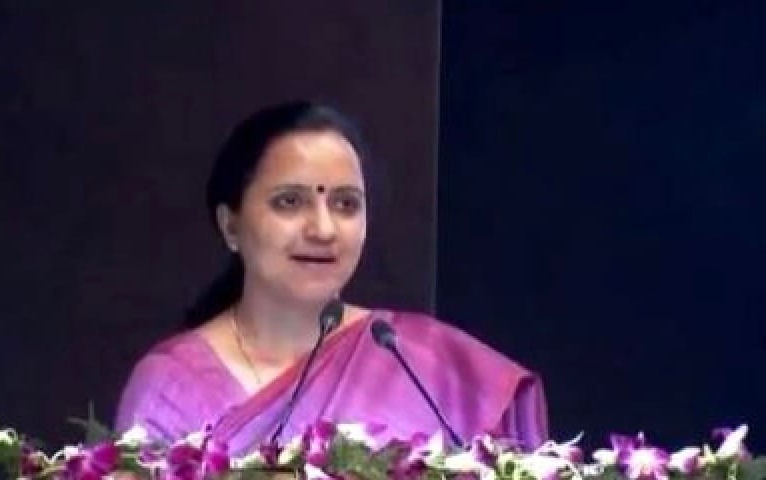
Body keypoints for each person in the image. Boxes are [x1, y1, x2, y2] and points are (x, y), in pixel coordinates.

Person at [115, 101, 548, 456]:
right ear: (231, 226)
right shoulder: (171, 387)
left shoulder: (426, 365)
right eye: (289, 202)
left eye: (345, 204)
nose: (323, 229)